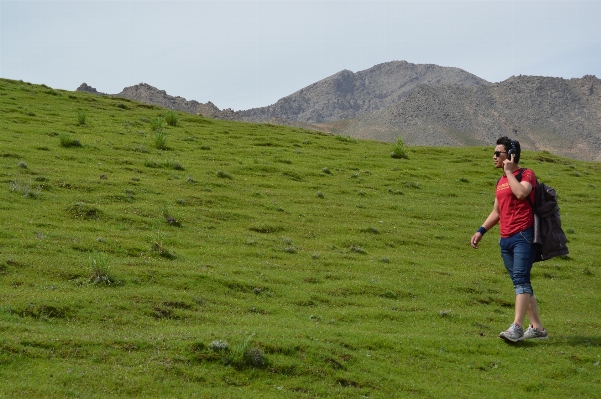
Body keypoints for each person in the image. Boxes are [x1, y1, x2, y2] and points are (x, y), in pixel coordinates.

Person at [470, 137, 548, 342]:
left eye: (499, 153)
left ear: (511, 155)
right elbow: (496, 211)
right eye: (494, 153)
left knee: (521, 279)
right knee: (520, 281)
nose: (494, 157)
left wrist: (509, 171)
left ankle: (516, 328)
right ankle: (538, 329)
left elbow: (522, 193)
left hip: (523, 235)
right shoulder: (500, 182)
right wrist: (481, 231)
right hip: (505, 239)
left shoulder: (526, 174)